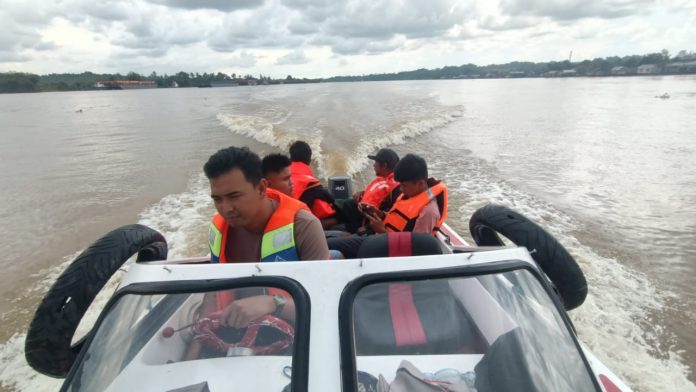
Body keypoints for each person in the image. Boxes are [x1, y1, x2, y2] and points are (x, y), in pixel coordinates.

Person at [203, 146, 330, 328]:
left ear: (262, 188)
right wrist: (197, 343)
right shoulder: (219, 230)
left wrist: (272, 303)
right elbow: (213, 292)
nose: (226, 209)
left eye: (234, 196)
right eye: (217, 199)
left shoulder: (304, 226)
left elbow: (324, 302)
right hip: (237, 332)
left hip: (298, 335)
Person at [328, 153, 448, 258]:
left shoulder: (429, 212)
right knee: (330, 241)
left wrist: (382, 231)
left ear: (420, 183)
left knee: (328, 244)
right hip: (377, 237)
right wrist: (381, 214)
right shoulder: (412, 194)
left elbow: (416, 250)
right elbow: (398, 220)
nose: (401, 189)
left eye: (404, 185)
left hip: (384, 248)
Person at [288, 140, 339, 229]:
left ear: (291, 157)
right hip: (296, 226)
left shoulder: (281, 176)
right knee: (337, 218)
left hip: (283, 220)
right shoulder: (311, 184)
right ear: (309, 160)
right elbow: (330, 200)